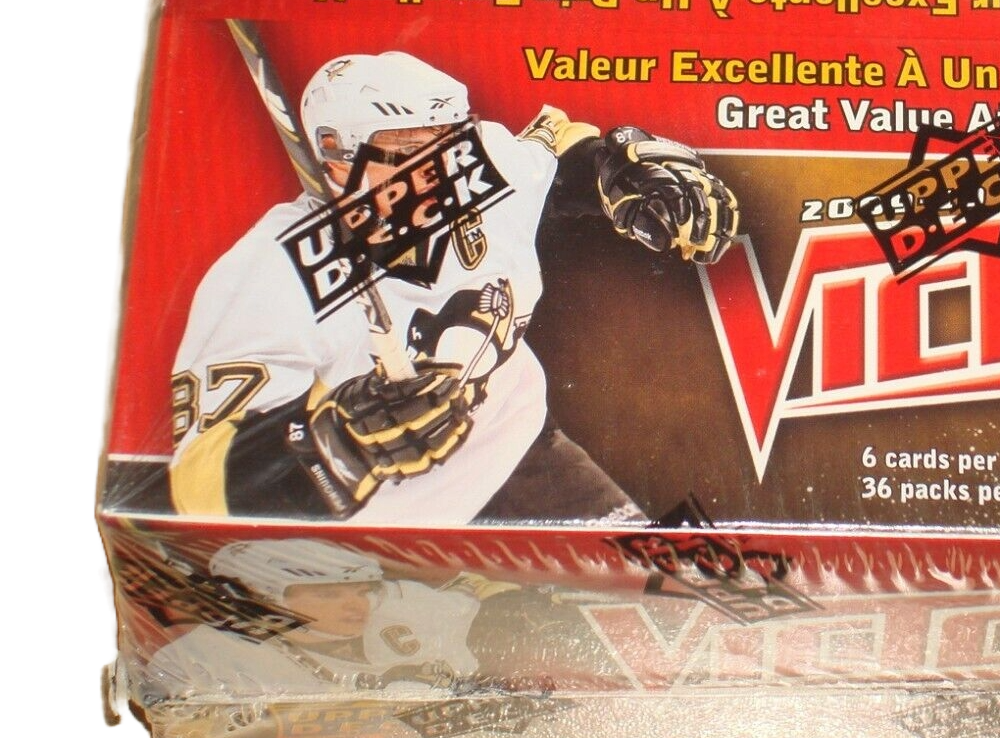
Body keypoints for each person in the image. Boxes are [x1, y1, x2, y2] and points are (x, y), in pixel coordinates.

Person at [167, 52, 738, 524]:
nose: (440, 172)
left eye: (447, 142)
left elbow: (558, 153)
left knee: (661, 608)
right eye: (407, 150)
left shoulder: (473, 170)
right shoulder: (271, 275)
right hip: (390, 530)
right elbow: (197, 485)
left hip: (522, 454)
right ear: (337, 160)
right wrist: (336, 441)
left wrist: (624, 173)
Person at [145, 539, 490, 699]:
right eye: (328, 594)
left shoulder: (402, 604)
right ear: (267, 597)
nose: (355, 605)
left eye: (361, 591)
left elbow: (487, 596)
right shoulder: (205, 656)